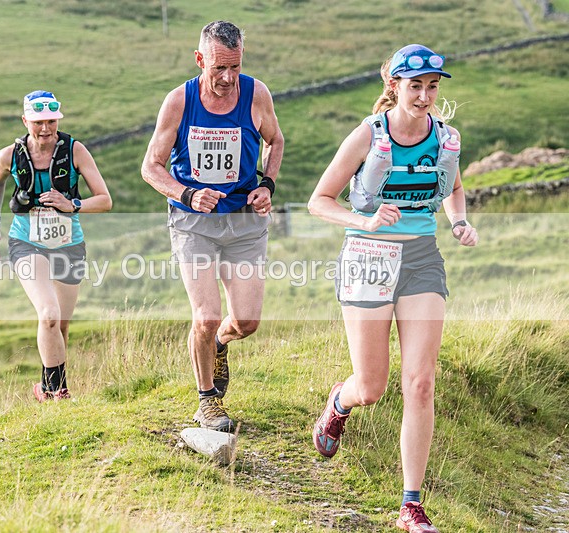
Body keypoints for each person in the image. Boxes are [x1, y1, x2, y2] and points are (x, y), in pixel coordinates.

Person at [307, 44, 478, 532]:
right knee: (373, 387)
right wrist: (365, 217)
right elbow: (319, 201)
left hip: (422, 260)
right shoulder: (369, 135)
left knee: (420, 383)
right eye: (415, 86)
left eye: (432, 87)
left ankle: (411, 506)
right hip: (368, 258)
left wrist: (460, 221)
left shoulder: (444, 139)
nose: (425, 96)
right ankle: (340, 402)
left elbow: (453, 186)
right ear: (395, 86)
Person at [141, 21, 284, 432]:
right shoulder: (179, 101)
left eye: (235, 67)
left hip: (243, 220)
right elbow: (151, 167)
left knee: (247, 322)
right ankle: (207, 401)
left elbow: (276, 141)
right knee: (205, 316)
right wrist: (187, 195)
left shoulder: (256, 94)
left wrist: (267, 185)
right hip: (193, 222)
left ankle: (221, 343)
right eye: (218, 68)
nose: (227, 78)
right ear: (200, 59)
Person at [0, 90, 112, 402]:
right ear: (25, 120)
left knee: (61, 326)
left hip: (69, 244)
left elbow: (105, 200)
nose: (46, 129)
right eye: (39, 122)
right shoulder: (9, 156)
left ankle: (45, 388)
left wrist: (72, 205)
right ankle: (59, 395)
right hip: (26, 242)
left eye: (52, 121)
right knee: (49, 314)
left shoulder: (75, 151)